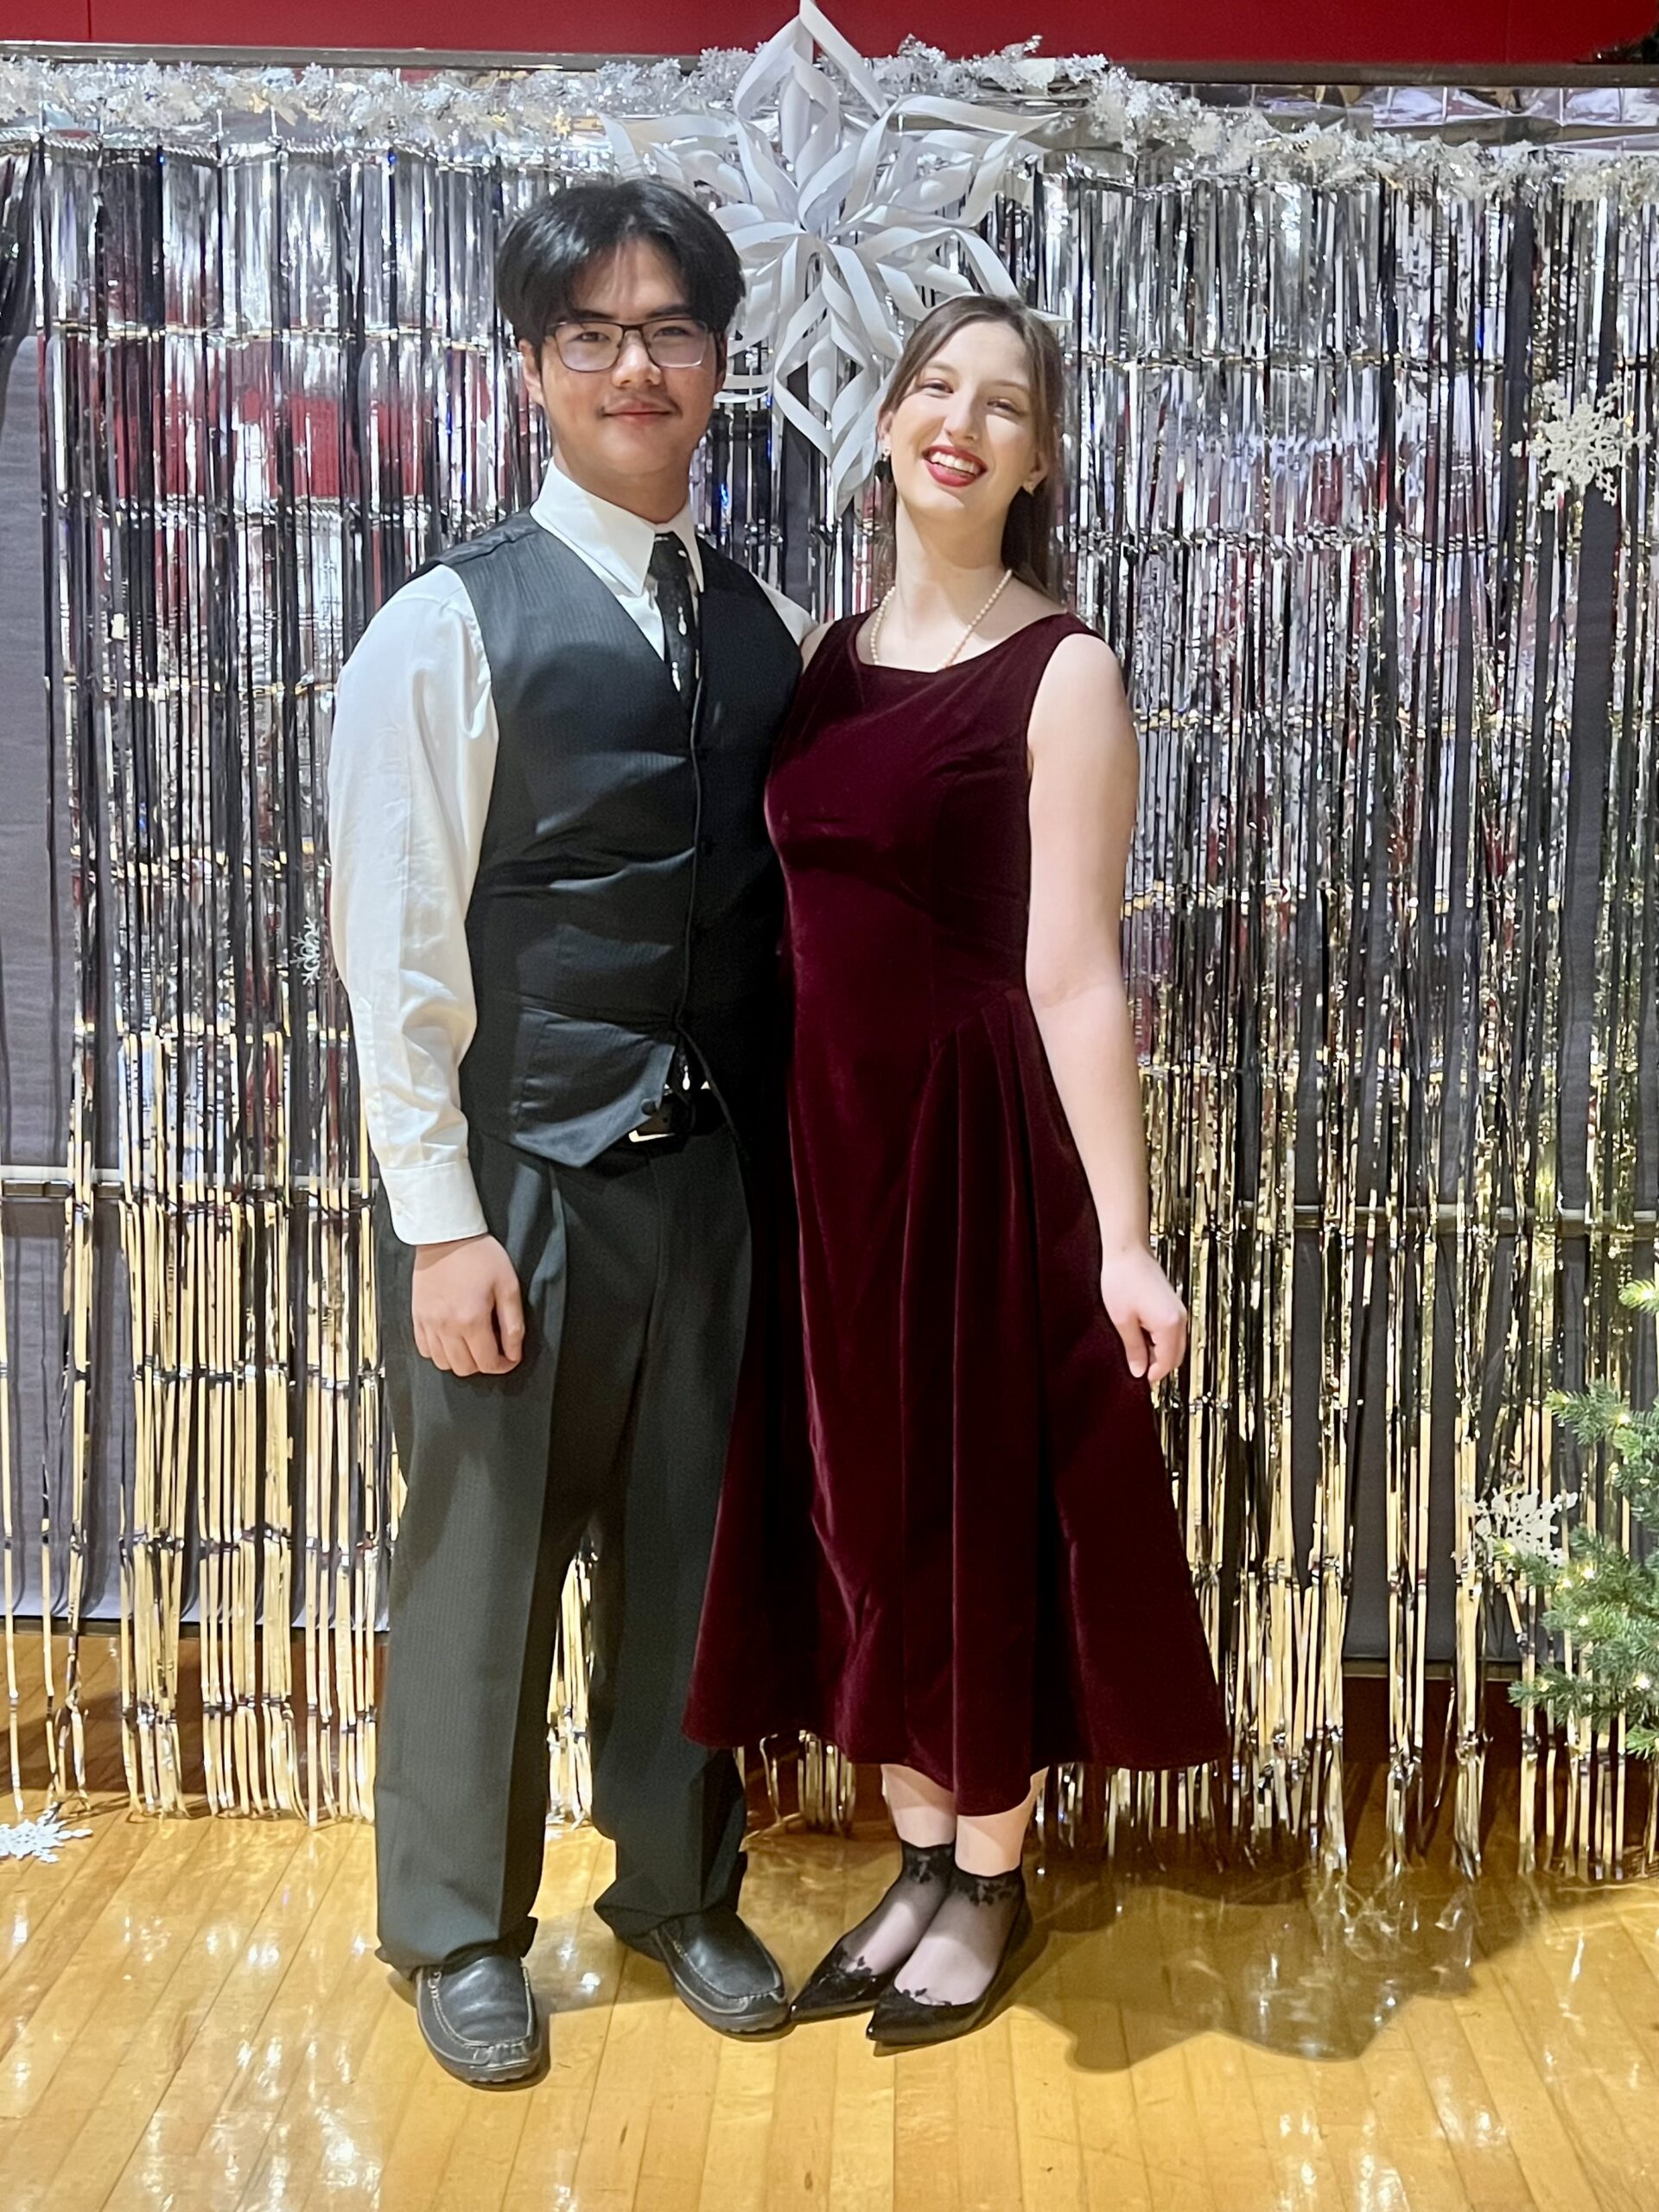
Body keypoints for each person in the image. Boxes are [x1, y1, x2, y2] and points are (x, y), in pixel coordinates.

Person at [684, 294, 1230, 2048]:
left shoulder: (1065, 670)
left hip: (976, 1153)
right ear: (886, 423)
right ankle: (918, 1854)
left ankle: (991, 1873)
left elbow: (1075, 971)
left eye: (1003, 405)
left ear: (1038, 457)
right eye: (935, 388)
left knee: (970, 1512)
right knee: (859, 1515)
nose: (961, 423)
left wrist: (1125, 1241)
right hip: (824, 1156)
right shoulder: (825, 657)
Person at [327, 178, 810, 2087]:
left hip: (713, 1179)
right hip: (517, 1175)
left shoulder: (767, 625)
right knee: (482, 1565)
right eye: (593, 333)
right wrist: (438, 1221)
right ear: (533, 366)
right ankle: (457, 1924)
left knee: (695, 1549)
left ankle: (678, 1884)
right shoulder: (445, 624)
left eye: (670, 329)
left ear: (718, 362)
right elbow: (395, 945)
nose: (636, 366)